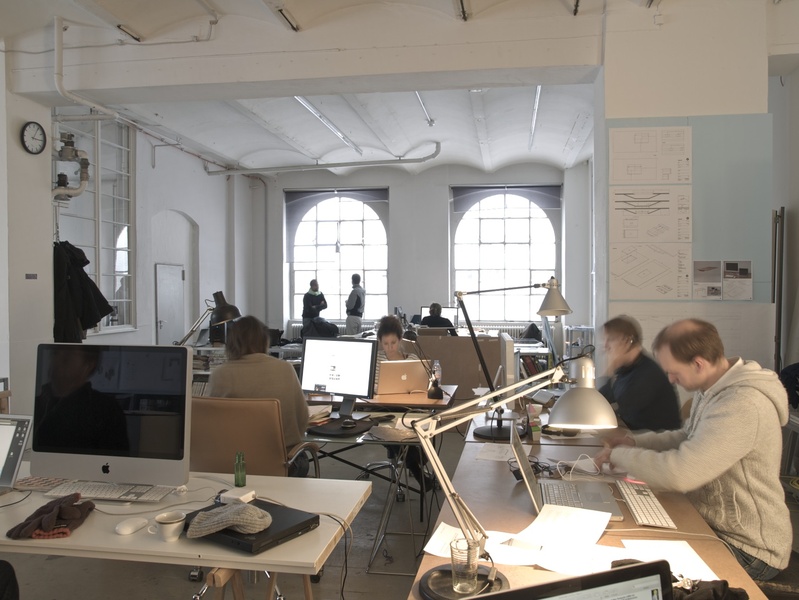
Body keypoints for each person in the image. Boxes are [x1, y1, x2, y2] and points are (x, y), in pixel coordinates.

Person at [594, 318, 792, 581]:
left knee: (633, 569)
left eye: (673, 371)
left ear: (698, 364)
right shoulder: (711, 388)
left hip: (749, 547)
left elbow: (680, 473)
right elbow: (686, 436)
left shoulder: (742, 403)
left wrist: (620, 456)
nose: (670, 379)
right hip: (711, 525)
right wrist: (634, 442)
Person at [208, 315, 310, 477]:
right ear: (265, 340)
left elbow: (213, 426)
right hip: (284, 463)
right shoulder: (285, 369)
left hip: (233, 465)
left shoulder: (219, 375)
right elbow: (302, 420)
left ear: (231, 342)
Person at [374, 315, 434, 491]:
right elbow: (371, 386)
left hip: (408, 407)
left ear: (400, 340)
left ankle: (415, 464)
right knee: (387, 428)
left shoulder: (412, 359)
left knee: (402, 428)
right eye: (385, 343)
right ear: (380, 342)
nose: (390, 347)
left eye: (393, 343)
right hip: (382, 407)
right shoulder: (376, 360)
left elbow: (423, 385)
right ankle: (416, 468)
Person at [33, 345, 129, 452]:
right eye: (54, 354)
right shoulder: (37, 404)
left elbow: (116, 460)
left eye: (67, 356)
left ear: (89, 365)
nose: (56, 361)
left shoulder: (106, 410)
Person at [598, 315, 681, 431]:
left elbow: (626, 406)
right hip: (634, 434)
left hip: (656, 439)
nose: (605, 346)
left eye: (610, 339)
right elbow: (600, 399)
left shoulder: (649, 373)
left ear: (627, 341)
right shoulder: (625, 369)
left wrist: (611, 368)